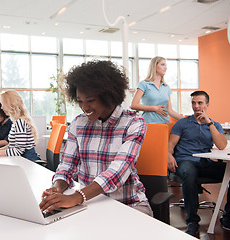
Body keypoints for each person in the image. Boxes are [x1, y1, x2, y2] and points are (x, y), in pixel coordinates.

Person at [39, 60, 153, 217]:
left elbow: (117, 172)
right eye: (80, 101)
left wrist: (77, 197)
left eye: (90, 100)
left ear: (108, 96)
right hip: (90, 204)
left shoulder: (133, 123)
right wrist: (57, 188)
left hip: (129, 204)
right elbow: (66, 167)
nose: (84, 107)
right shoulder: (78, 124)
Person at [168, 91, 230, 237]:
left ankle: (229, 218)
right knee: (190, 172)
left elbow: (222, 145)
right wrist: (168, 155)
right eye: (193, 103)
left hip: (205, 163)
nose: (196, 106)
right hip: (185, 161)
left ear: (207, 105)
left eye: (200, 103)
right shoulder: (182, 123)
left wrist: (208, 123)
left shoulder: (214, 125)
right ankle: (192, 221)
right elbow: (170, 145)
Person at [0, 91, 40, 161]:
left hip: (27, 161)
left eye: (3, 104)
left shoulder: (20, 122)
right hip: (21, 160)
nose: (2, 107)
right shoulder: (16, 121)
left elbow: (18, 151)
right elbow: (11, 147)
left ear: (11, 105)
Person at [130, 56, 183, 123]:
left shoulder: (166, 87)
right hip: (149, 124)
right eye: (162, 64)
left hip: (165, 124)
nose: (165, 67)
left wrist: (187, 119)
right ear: (154, 66)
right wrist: (154, 108)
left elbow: (170, 111)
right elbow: (133, 105)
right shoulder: (144, 84)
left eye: (165, 65)